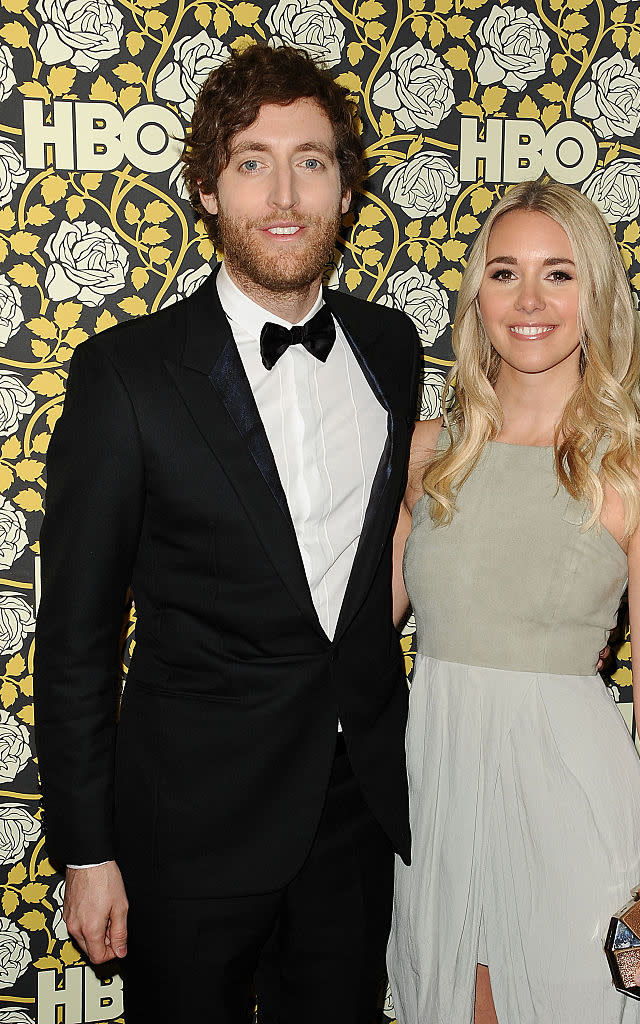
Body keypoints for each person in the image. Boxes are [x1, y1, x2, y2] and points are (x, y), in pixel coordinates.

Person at [34, 43, 420, 1024]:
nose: (284, 193)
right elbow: (76, 634)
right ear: (207, 189)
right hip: (190, 826)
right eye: (252, 161)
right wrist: (87, 850)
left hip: (355, 814)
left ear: (345, 187)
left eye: (312, 160)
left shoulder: (389, 348)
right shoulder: (125, 377)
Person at [387, 180, 640, 1023]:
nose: (529, 300)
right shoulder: (428, 456)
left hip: (567, 800)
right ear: (476, 298)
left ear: (594, 294)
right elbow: (350, 636)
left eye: (558, 275)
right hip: (436, 799)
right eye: (504, 273)